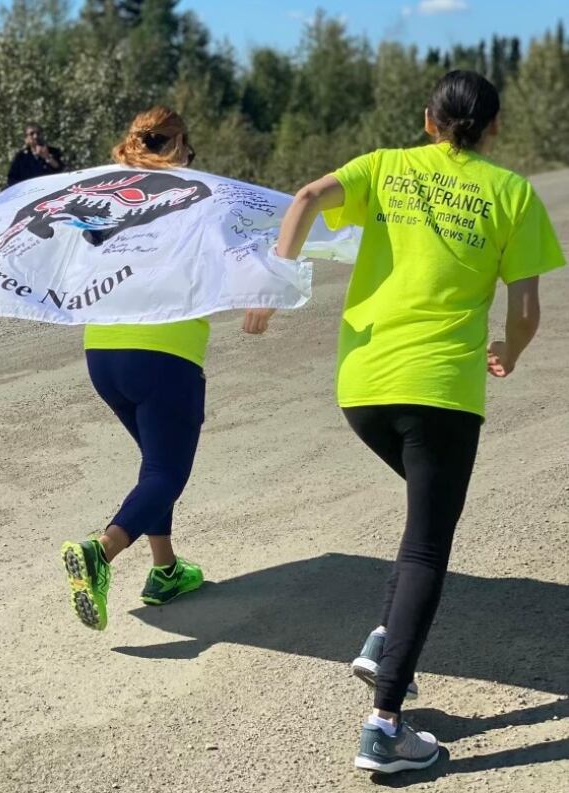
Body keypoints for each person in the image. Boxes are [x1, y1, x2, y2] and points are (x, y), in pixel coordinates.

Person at [276, 70, 565, 773]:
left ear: (428, 120)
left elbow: (307, 197)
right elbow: (525, 312)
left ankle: (384, 640)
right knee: (428, 546)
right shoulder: (513, 193)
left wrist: (274, 278)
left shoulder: (384, 167)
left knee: (418, 527)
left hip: (364, 387)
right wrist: (511, 351)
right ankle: (383, 727)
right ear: (493, 129)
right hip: (440, 393)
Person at [60, 106, 274, 631]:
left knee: (154, 464)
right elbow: (243, 238)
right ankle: (100, 551)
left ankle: (166, 569)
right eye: (190, 151)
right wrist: (262, 289)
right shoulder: (193, 197)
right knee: (167, 472)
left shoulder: (106, 199)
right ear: (178, 147)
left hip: (103, 354)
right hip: (165, 354)